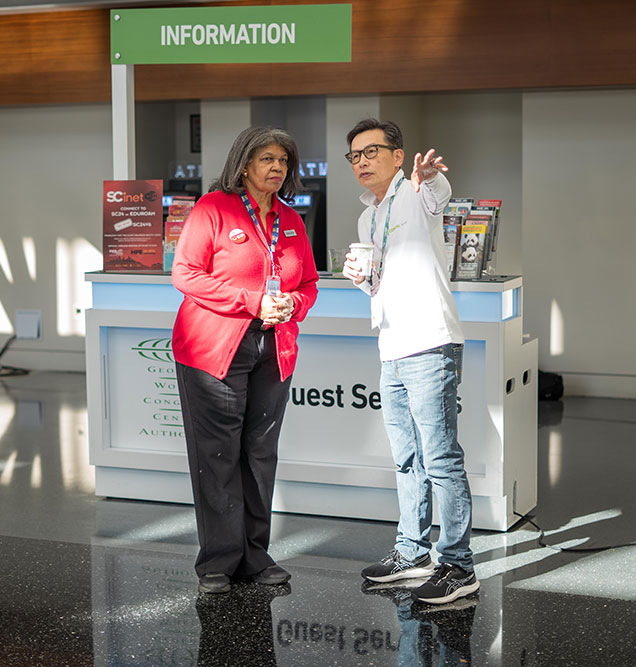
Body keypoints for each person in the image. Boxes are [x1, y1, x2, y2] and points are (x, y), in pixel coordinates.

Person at [172, 126, 319, 594]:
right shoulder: (212, 209)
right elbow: (185, 274)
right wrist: (250, 299)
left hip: (273, 349)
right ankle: (217, 562)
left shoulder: (291, 220)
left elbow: (308, 283)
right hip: (213, 349)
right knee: (217, 455)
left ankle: (255, 555)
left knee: (259, 455)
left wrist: (291, 306)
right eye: (267, 159)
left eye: (284, 162)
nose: (277, 168)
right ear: (243, 164)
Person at [342, 118, 479, 605]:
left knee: (441, 459)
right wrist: (360, 276)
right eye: (354, 155)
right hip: (392, 348)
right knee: (406, 458)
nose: (362, 161)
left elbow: (438, 193)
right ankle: (412, 552)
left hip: (429, 343)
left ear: (398, 156)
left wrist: (433, 178)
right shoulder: (366, 217)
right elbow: (379, 282)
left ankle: (458, 566)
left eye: (372, 151)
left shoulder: (416, 192)